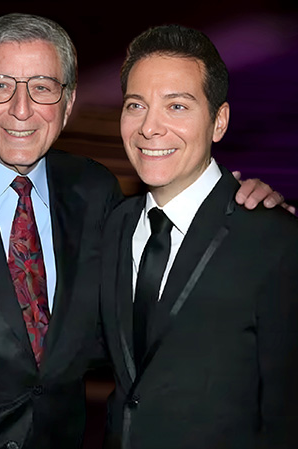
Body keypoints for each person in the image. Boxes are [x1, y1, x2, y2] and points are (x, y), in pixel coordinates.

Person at [0, 13, 288, 449]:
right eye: (1, 85)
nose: (21, 109)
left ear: (68, 103)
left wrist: (251, 207)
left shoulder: (95, 192)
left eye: (43, 88)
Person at [101, 24, 298, 449]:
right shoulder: (113, 227)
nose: (150, 128)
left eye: (176, 106)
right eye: (136, 105)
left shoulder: (277, 240)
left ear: (219, 121)